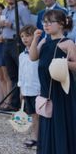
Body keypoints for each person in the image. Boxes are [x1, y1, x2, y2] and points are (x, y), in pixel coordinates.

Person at [29, 9, 76, 153]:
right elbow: (33, 57)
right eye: (44, 22)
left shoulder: (67, 43)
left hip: (62, 91)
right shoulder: (44, 41)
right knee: (47, 120)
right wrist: (35, 39)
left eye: (50, 22)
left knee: (60, 122)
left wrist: (63, 63)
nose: (46, 25)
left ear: (61, 24)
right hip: (46, 90)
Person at [1, 0, 34, 111]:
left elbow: (29, 27)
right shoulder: (4, 11)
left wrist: (12, 25)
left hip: (17, 42)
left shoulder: (22, 9)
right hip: (6, 43)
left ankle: (26, 105)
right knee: (13, 75)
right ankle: (15, 104)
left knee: (23, 73)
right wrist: (1, 24)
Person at [17, 25, 40, 149]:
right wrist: (21, 89)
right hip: (27, 90)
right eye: (22, 36)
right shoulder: (22, 55)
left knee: (40, 115)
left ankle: (42, 139)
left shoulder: (39, 52)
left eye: (27, 35)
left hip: (38, 90)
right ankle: (35, 138)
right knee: (33, 115)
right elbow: (21, 74)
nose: (24, 39)